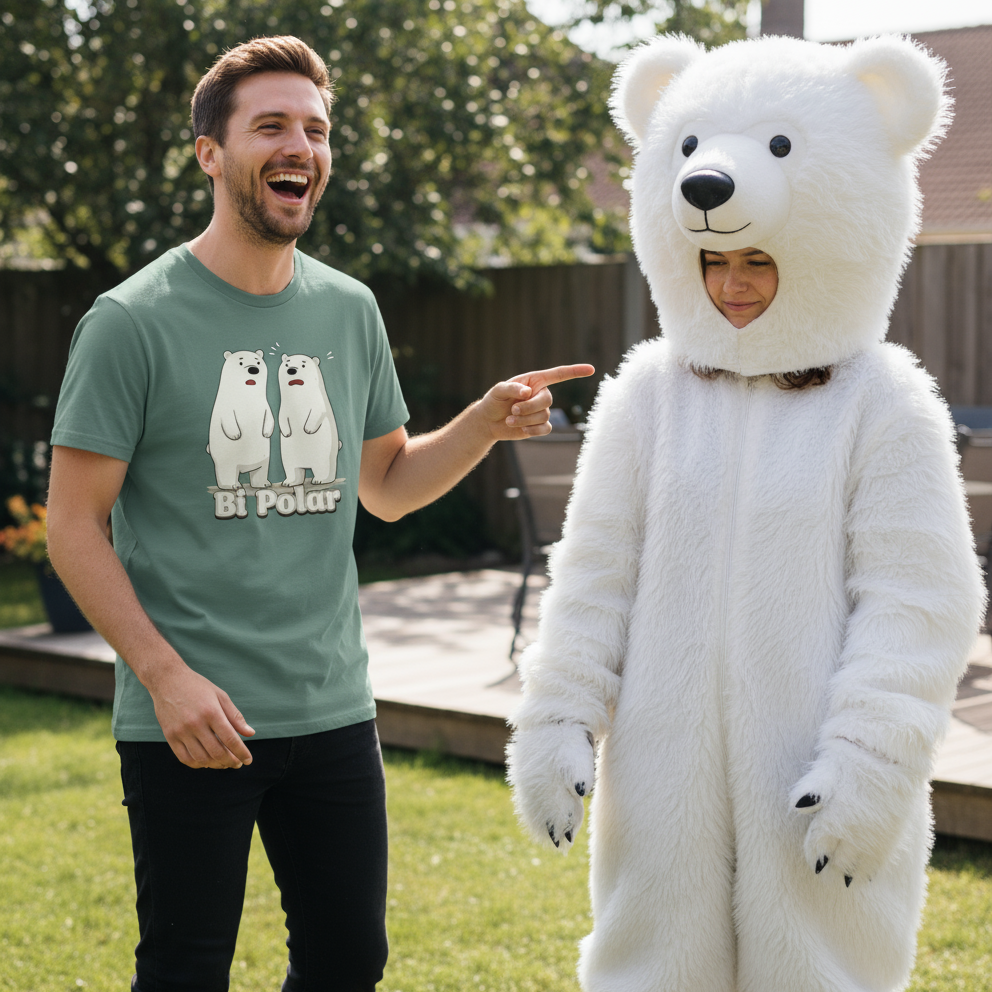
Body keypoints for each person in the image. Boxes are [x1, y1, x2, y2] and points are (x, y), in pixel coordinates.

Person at [46, 36, 592, 992]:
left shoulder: (349, 311)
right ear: (212, 153)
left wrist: (480, 424)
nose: (300, 144)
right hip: (191, 720)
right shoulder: (130, 321)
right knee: (183, 969)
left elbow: (383, 484)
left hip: (332, 708)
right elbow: (72, 527)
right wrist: (167, 680)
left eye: (316, 128)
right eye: (271, 126)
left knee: (349, 961)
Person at [507, 33, 983, 992]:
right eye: (716, 264)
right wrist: (557, 716)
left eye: (760, 262)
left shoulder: (884, 404)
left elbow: (918, 603)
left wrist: (872, 761)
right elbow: (595, 573)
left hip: (814, 790)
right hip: (661, 789)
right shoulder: (648, 396)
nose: (733, 286)